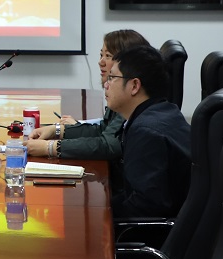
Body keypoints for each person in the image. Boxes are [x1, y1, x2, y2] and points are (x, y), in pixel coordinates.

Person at [27, 28, 150, 160]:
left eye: (108, 56)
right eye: (101, 55)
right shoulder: (121, 96)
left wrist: (50, 147)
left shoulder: (132, 101)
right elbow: (102, 129)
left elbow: (107, 145)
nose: (101, 62)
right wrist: (56, 130)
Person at [103, 43, 191, 220]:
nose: (106, 84)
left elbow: (145, 207)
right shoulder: (163, 111)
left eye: (112, 78)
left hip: (152, 231)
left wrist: (100, 215)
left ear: (134, 86)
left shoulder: (146, 132)